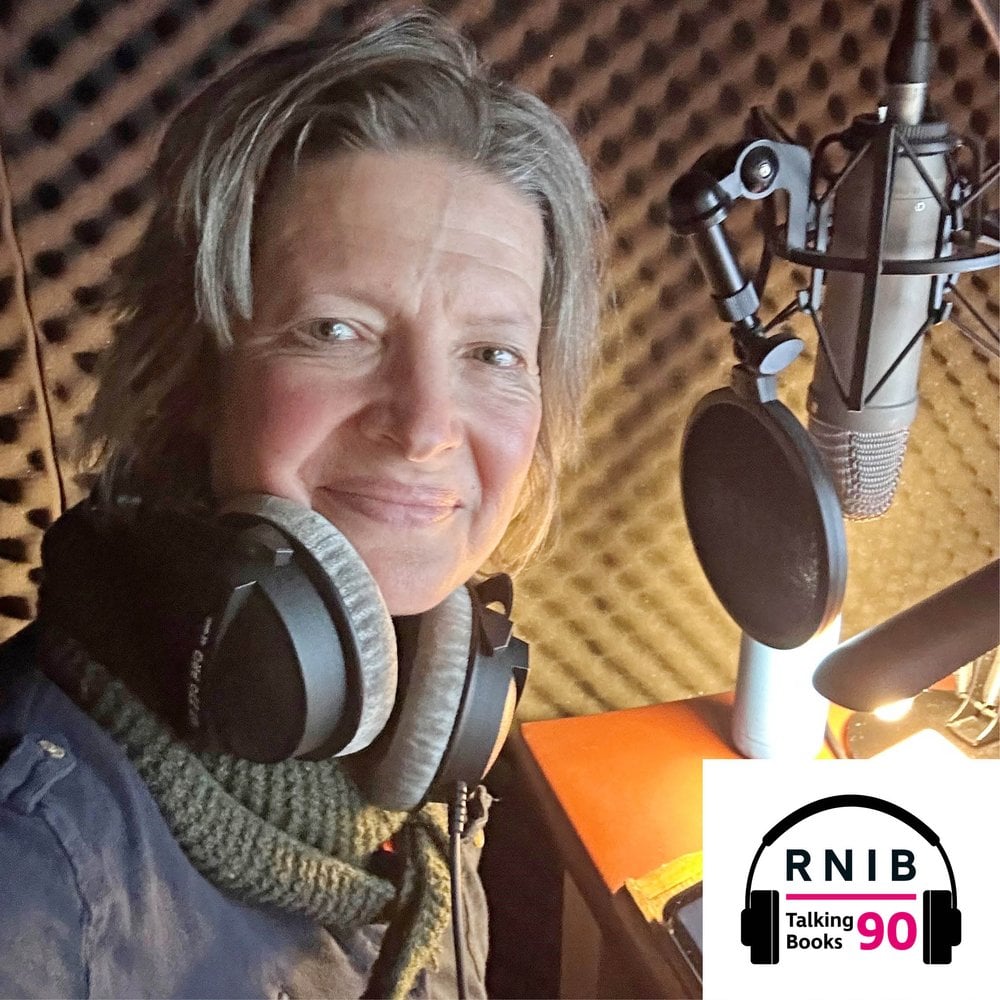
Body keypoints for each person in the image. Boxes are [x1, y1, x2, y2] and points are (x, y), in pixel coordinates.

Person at [0, 8, 603, 1000]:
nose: (423, 425)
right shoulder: (33, 884)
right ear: (192, 374)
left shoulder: (403, 726)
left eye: (492, 354)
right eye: (337, 329)